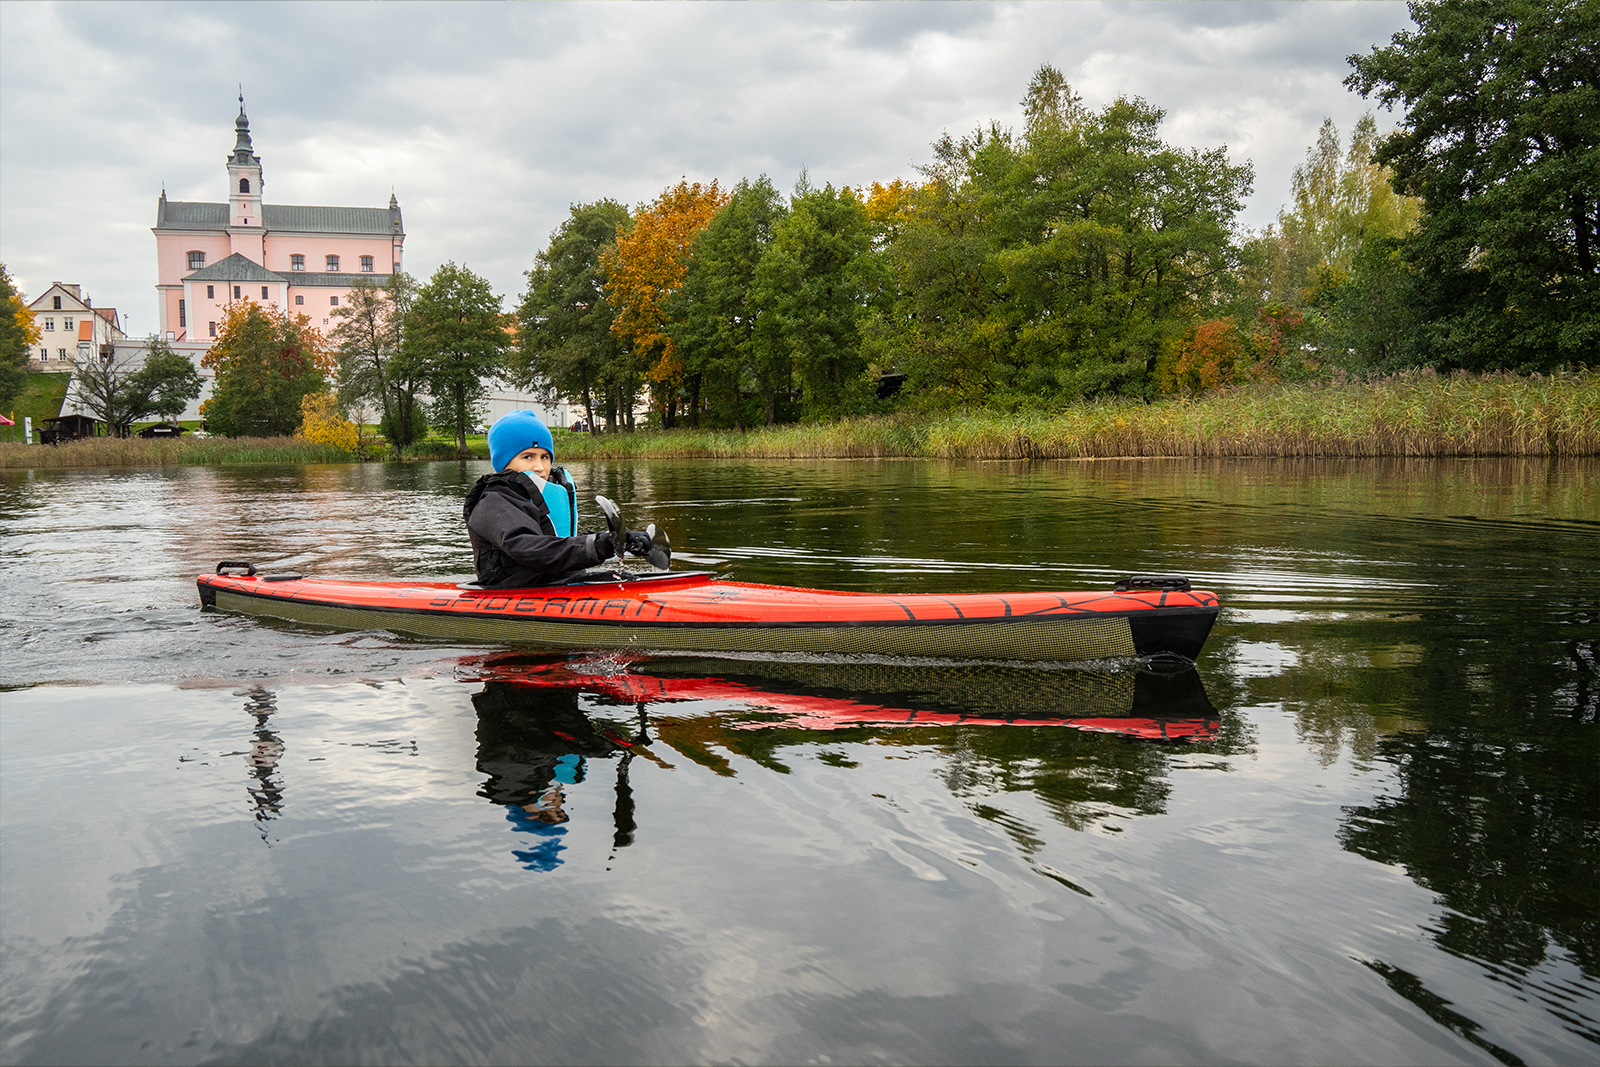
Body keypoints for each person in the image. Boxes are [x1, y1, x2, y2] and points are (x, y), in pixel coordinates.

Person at [464, 410, 656, 587]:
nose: (539, 466)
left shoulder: (540, 495)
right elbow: (531, 550)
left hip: (555, 582)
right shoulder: (492, 502)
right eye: (528, 457)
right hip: (513, 590)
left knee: (625, 578)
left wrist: (618, 538)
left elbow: (560, 542)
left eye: (545, 457)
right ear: (504, 461)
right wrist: (597, 545)